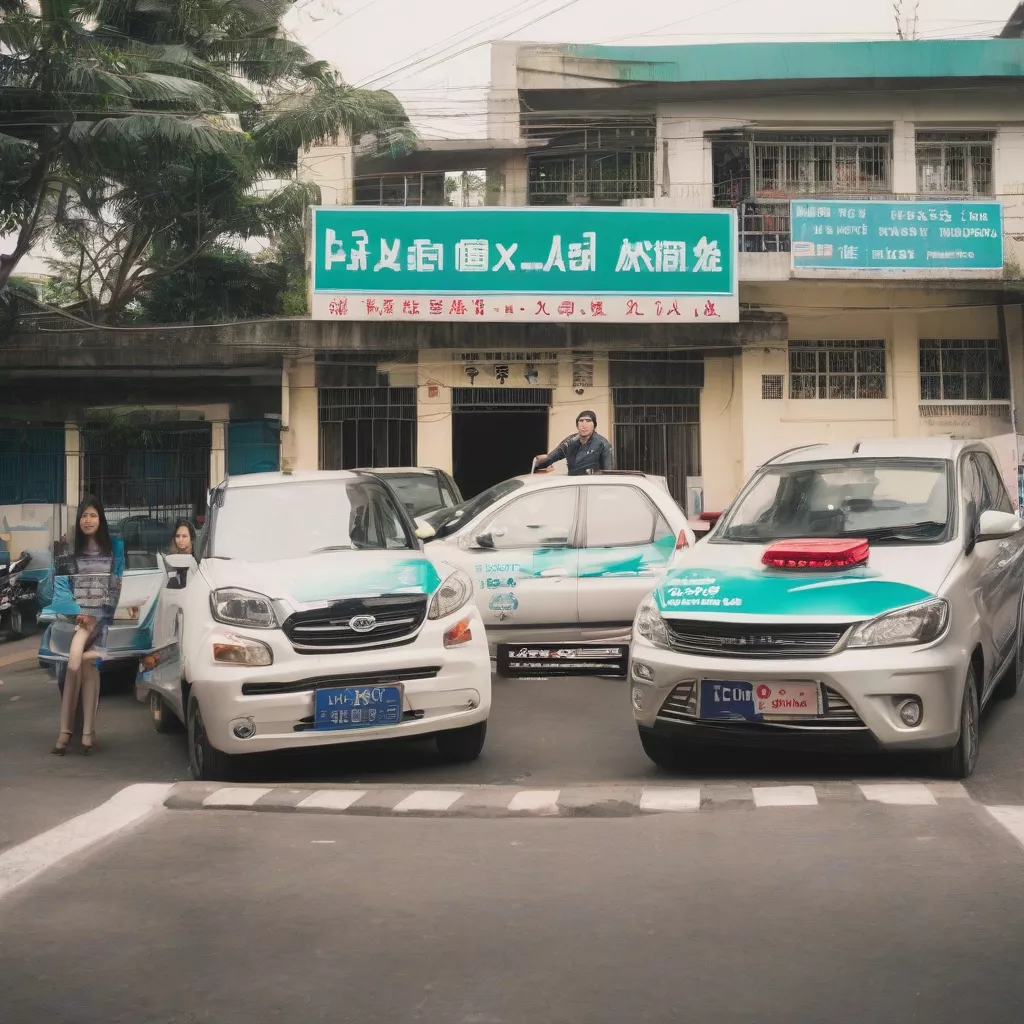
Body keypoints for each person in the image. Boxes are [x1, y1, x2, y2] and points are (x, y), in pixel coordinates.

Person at [44, 497, 125, 756]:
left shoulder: (115, 550)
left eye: (92, 515)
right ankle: (79, 733)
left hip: (102, 619)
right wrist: (78, 613)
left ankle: (70, 734)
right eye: (83, 516)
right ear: (78, 521)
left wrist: (110, 615)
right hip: (78, 621)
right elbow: (60, 590)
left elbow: (118, 587)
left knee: (81, 664)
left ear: (100, 519)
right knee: (78, 664)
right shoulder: (69, 552)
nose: (87, 520)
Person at [534, 410, 613, 476]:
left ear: (594, 425)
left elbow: (608, 472)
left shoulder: (602, 443)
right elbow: (554, 455)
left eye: (588, 421)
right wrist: (537, 464)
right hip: (573, 484)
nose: (584, 425)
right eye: (581, 421)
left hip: (592, 485)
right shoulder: (570, 441)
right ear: (577, 424)